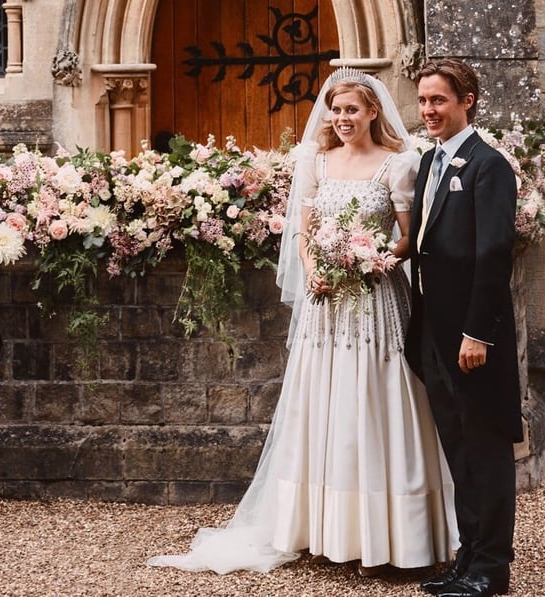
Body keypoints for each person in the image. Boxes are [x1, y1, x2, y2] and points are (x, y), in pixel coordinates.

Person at [147, 68, 456, 576]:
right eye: (336, 110)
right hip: (325, 305)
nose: (343, 118)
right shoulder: (316, 160)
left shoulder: (399, 165)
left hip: (376, 302)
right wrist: (316, 272)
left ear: (373, 112)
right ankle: (322, 529)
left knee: (378, 405)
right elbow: (303, 234)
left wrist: (372, 261)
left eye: (352, 109)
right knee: (325, 404)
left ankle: (393, 535)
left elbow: (409, 236)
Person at [407, 59, 520, 597]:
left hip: (474, 339)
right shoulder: (431, 161)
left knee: (486, 449)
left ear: (467, 100)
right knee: (458, 449)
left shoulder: (488, 165)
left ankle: (491, 570)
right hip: (435, 332)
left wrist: (477, 333)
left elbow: (495, 255)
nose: (428, 110)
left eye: (439, 101)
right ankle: (467, 558)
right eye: (424, 100)